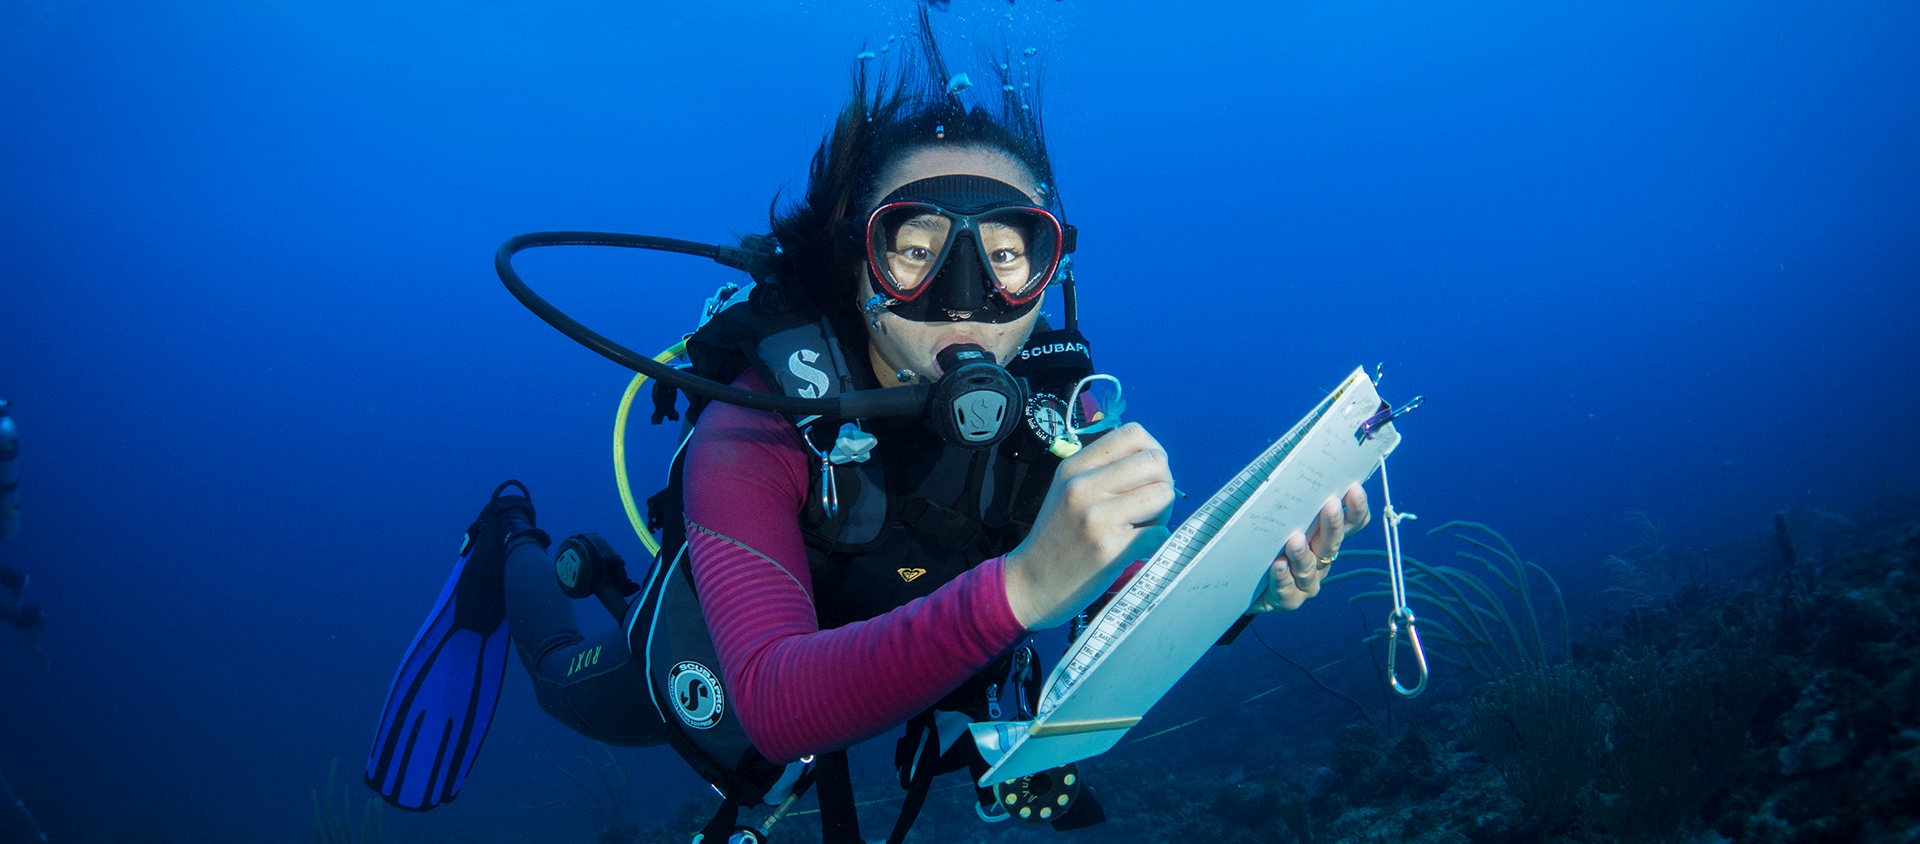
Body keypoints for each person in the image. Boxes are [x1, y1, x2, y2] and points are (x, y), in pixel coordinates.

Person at [366, 16, 1369, 843]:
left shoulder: (1056, 420)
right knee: (576, 694)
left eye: (1011, 255)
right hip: (726, 659)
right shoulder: (757, 425)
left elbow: (1131, 595)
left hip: (924, 654)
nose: (968, 299)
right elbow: (773, 701)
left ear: (1051, 272)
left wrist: (1244, 583)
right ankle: (512, 548)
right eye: (918, 247)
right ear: (857, 265)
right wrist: (1025, 585)